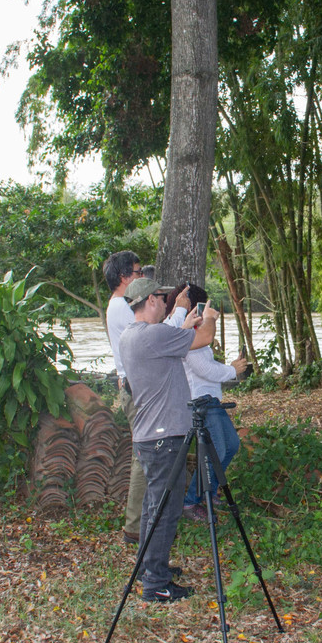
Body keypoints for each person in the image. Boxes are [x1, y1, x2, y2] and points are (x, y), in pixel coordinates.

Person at [119, 277, 217, 603]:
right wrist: (198, 314)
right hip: (165, 438)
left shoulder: (131, 337)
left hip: (150, 437)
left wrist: (181, 319)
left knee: (153, 508)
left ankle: (151, 567)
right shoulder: (154, 335)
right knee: (166, 510)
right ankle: (156, 584)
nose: (165, 302)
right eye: (161, 298)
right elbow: (198, 339)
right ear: (149, 300)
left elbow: (179, 337)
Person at [103, 251, 188, 545]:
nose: (142, 277)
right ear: (125, 278)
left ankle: (144, 523)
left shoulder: (119, 306)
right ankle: (137, 526)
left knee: (147, 455)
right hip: (137, 389)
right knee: (146, 457)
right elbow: (158, 335)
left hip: (136, 385)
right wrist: (178, 311)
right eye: (139, 273)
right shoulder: (123, 307)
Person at [164, 284, 247, 522]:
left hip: (212, 400)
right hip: (201, 401)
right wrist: (233, 369)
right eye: (202, 306)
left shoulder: (195, 333)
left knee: (230, 445)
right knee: (216, 451)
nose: (205, 310)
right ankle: (191, 501)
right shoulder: (186, 334)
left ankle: (208, 491)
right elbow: (204, 369)